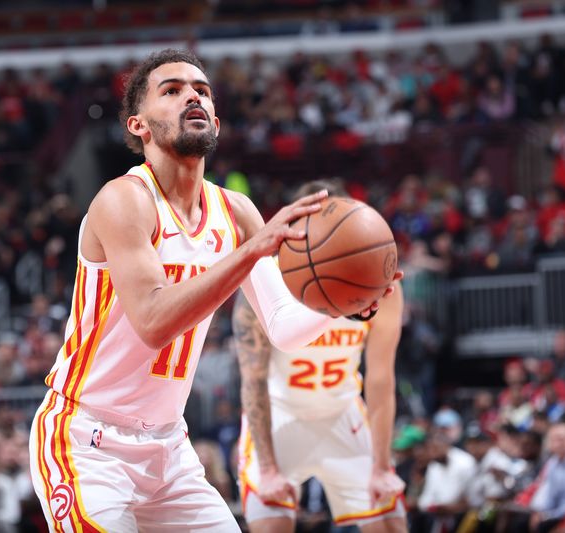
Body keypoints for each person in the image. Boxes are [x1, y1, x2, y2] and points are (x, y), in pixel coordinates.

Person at [28, 49, 399, 532]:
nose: (192, 96)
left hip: (168, 448)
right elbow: (154, 322)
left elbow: (284, 329)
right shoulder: (123, 201)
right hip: (85, 439)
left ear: (216, 121)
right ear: (138, 125)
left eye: (201, 91)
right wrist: (250, 251)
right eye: (172, 90)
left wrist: (346, 303)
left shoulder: (236, 211)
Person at [233, 179, 407, 533]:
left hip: (342, 413)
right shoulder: (268, 282)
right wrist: (267, 468)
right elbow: (252, 380)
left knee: (391, 525)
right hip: (281, 416)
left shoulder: (381, 284)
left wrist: (382, 466)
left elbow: (380, 378)